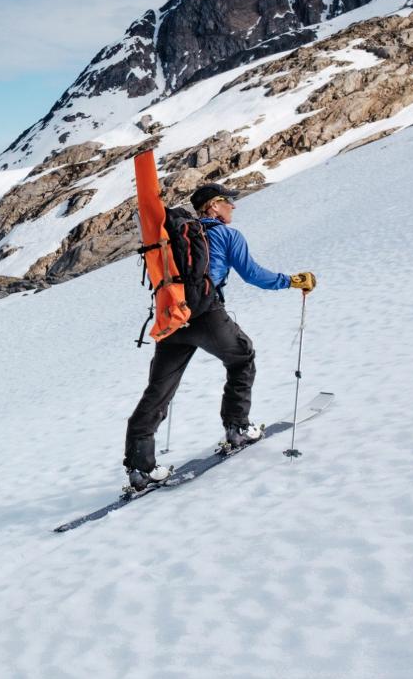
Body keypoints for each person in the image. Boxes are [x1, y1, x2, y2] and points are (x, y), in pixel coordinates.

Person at [123, 183, 317, 492]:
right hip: (206, 312)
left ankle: (140, 468)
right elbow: (253, 275)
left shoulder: (178, 235)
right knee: (243, 357)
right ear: (213, 206)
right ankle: (237, 427)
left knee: (159, 389)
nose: (233, 207)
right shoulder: (226, 235)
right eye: (228, 201)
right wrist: (291, 281)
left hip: (174, 316)